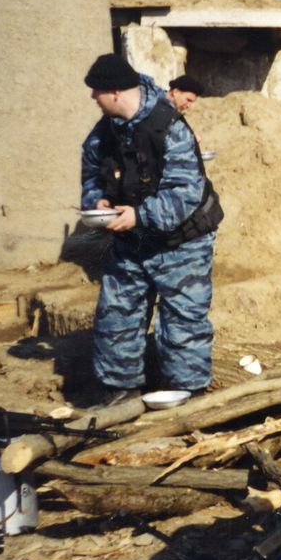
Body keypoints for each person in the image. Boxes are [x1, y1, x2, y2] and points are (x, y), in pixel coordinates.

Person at [80, 54, 224, 408]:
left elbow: (185, 193)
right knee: (117, 313)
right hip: (134, 239)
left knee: (182, 321)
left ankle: (187, 397)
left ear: (115, 91)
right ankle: (120, 390)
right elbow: (92, 172)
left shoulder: (169, 126)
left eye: (97, 91)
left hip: (183, 241)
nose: (93, 97)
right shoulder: (105, 131)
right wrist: (98, 200)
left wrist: (140, 215)